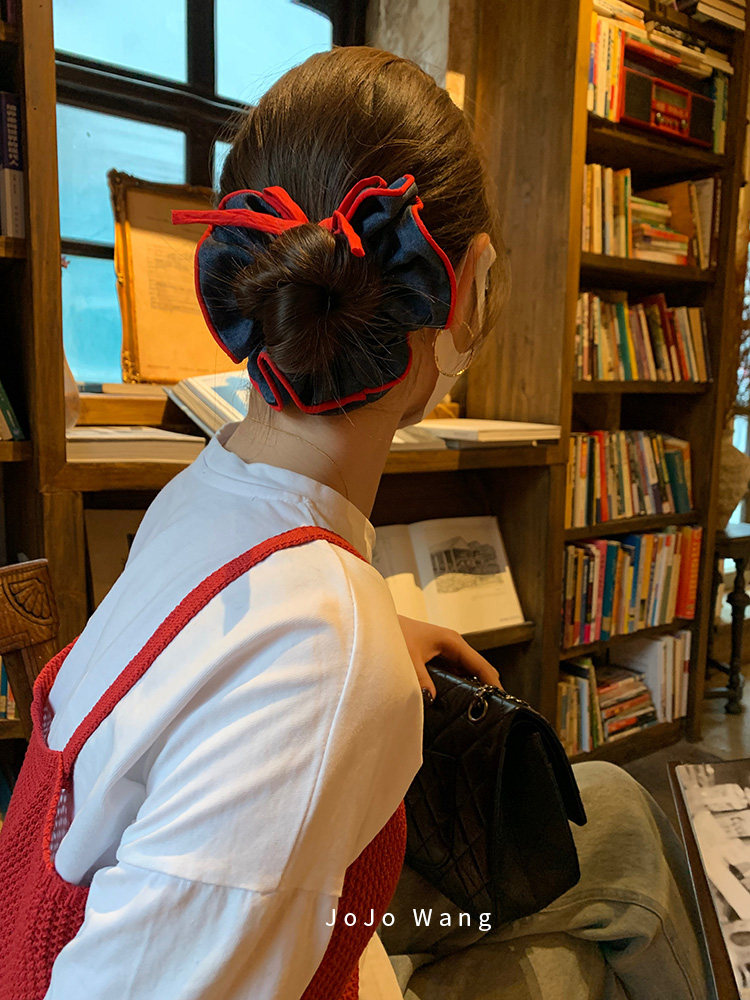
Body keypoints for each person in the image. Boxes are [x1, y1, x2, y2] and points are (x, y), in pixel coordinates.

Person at [0, 45, 711, 1000]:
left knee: (615, 808)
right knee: (587, 944)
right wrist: (343, 651)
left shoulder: (210, 490)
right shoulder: (321, 653)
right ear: (472, 291)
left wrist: (366, 624)